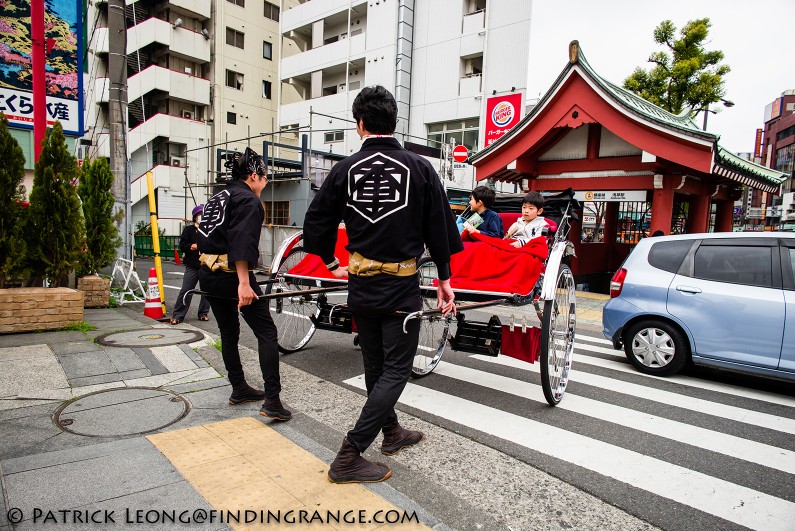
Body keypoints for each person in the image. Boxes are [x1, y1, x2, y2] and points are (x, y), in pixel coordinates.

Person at [303, 85, 462, 484]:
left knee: (376, 365)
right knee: (396, 369)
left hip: (359, 284)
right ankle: (350, 453)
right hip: (400, 285)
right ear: (394, 122)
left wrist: (330, 261)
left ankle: (391, 432)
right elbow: (439, 227)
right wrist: (444, 279)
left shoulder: (343, 169)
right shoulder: (420, 168)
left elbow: (316, 222)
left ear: (360, 124)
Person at [197, 148, 291, 420]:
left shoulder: (218, 197)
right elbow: (241, 242)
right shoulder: (248, 201)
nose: (266, 182)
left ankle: (239, 388)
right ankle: (273, 401)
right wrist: (243, 283)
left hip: (208, 272)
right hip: (231, 274)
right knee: (267, 333)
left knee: (228, 331)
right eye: (265, 177)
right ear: (254, 175)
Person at [170, 205, 210, 325]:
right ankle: (178, 315)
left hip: (206, 264)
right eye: (199, 215)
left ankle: (203, 313)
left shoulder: (209, 229)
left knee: (207, 290)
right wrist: (192, 246)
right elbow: (183, 245)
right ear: (195, 217)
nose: (201, 217)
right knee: (186, 289)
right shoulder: (189, 230)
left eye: (203, 214)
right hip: (192, 264)